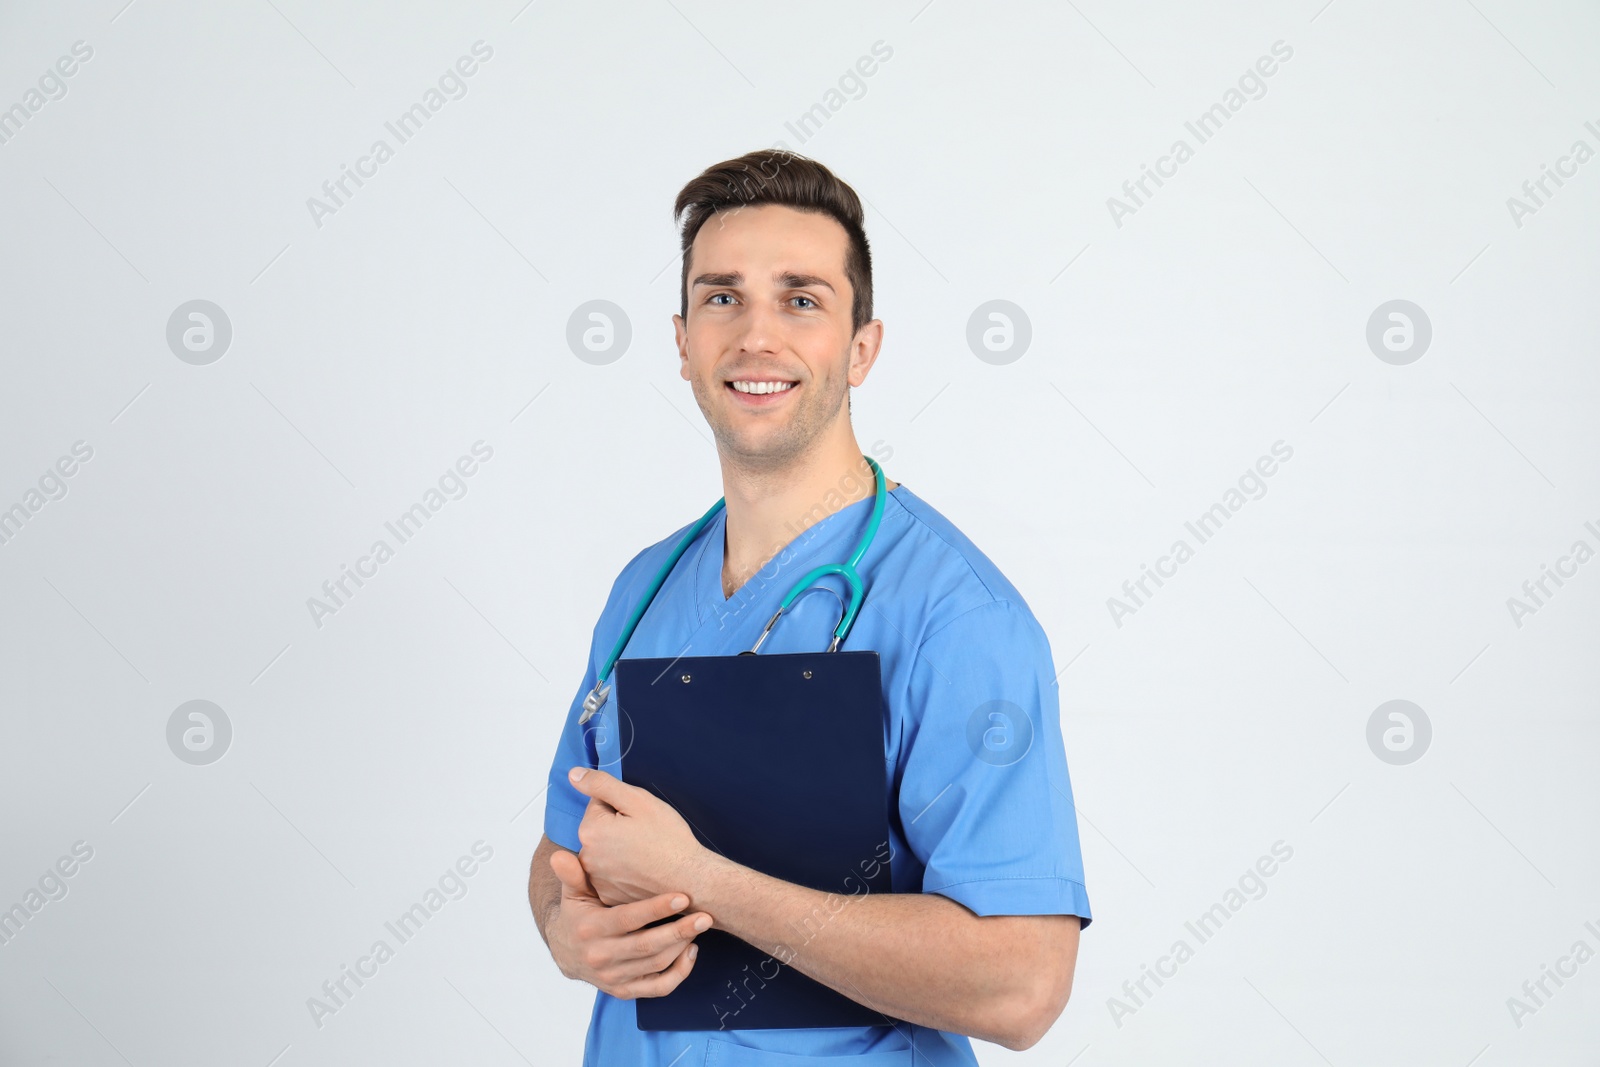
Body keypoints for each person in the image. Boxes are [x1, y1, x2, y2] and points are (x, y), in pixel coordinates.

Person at [528, 149, 1092, 1065]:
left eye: (801, 299)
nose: (756, 337)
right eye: (721, 297)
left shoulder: (958, 618)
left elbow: (1023, 986)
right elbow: (564, 854)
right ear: (681, 342)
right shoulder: (643, 591)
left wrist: (705, 882)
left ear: (861, 348)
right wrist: (566, 929)